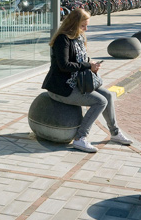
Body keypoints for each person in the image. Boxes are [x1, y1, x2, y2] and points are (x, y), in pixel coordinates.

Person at [42, 8, 133, 153]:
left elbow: (81, 61)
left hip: (77, 82)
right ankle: (80, 138)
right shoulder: (62, 39)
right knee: (100, 101)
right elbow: (64, 66)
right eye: (83, 25)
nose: (86, 28)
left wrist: (92, 67)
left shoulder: (79, 37)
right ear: (73, 24)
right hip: (61, 88)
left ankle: (115, 133)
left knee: (108, 95)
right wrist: (87, 66)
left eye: (86, 25)